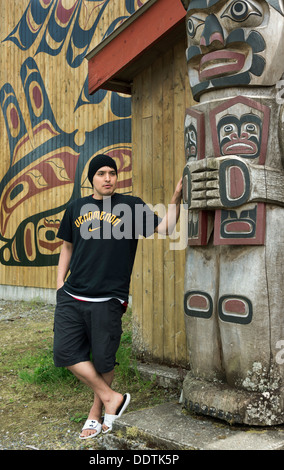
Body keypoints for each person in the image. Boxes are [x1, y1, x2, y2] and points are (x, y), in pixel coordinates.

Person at [53, 154, 182, 439]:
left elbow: (167, 228)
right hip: (73, 294)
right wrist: (60, 281)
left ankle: (96, 413)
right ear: (92, 179)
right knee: (64, 352)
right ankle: (113, 398)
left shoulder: (130, 206)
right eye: (101, 173)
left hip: (109, 297)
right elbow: (67, 247)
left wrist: (175, 197)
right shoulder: (76, 207)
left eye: (112, 172)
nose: (108, 178)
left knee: (103, 360)